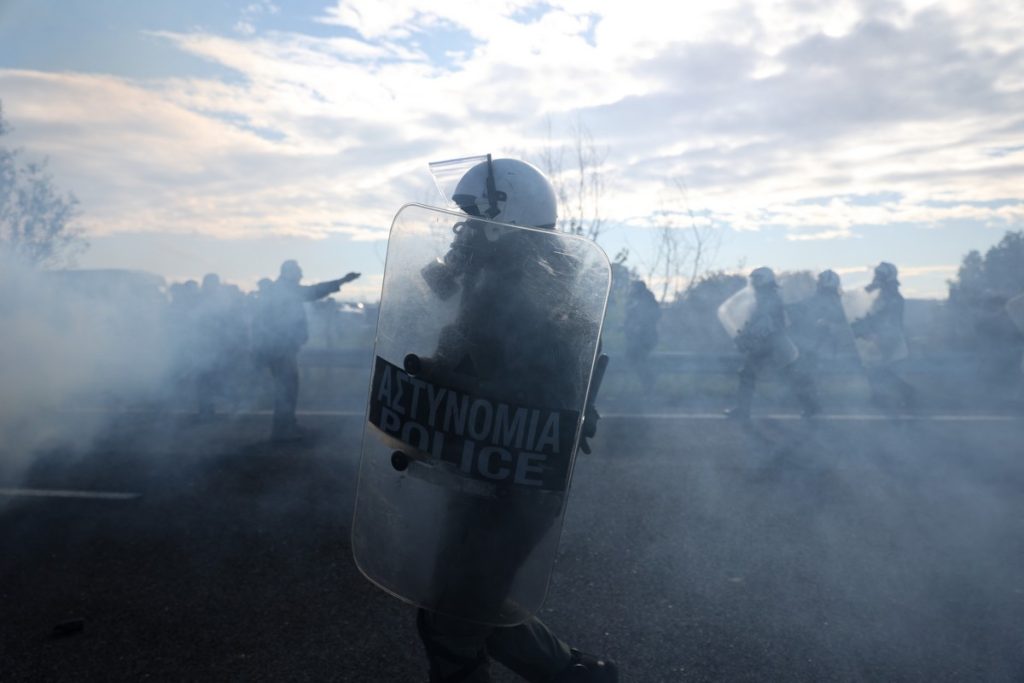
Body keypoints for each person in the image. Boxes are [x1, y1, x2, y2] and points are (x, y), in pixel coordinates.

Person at [393, 157, 618, 682]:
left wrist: (449, 383)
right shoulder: (496, 276)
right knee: (469, 604)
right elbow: (468, 349)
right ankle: (578, 676)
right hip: (486, 461)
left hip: (518, 471)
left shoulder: (534, 283)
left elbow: (546, 386)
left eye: (473, 215)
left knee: (453, 621)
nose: (463, 226)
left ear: (506, 215)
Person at [257, 261, 359, 441]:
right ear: (289, 273)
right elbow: (313, 291)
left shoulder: (280, 290)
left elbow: (312, 291)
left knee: (287, 390)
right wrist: (342, 280)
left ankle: (285, 428)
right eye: (298, 272)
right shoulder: (283, 290)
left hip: (280, 349)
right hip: (280, 350)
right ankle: (283, 432)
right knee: (286, 390)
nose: (301, 275)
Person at [724, 267, 819, 419]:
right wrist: (746, 335)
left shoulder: (769, 299)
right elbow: (757, 322)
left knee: (790, 376)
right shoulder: (765, 297)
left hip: (774, 345)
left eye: (757, 279)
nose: (754, 283)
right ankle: (811, 407)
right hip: (769, 345)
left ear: (764, 280)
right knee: (750, 374)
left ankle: (811, 406)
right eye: (753, 279)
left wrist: (746, 338)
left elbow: (765, 323)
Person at [850, 261, 917, 413]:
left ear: (887, 277)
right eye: (876, 275)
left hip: (891, 341)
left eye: (879, 275)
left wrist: (864, 325)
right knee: (875, 370)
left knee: (879, 372)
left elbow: (882, 319)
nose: (875, 278)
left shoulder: (892, 297)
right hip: (883, 340)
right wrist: (862, 323)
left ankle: (907, 396)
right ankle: (880, 400)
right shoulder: (884, 295)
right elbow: (875, 316)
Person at [787, 270, 853, 403]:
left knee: (805, 373)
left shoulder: (837, 303)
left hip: (822, 347)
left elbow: (840, 324)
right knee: (802, 372)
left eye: (820, 281)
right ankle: (810, 401)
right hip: (812, 345)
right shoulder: (819, 299)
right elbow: (803, 307)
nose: (818, 284)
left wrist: (826, 324)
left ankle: (812, 403)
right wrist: (789, 307)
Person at [623, 279, 661, 393]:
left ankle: (649, 383)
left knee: (635, 357)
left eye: (633, 288)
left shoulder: (646, 301)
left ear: (638, 289)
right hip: (640, 338)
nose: (631, 290)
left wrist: (639, 326)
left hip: (646, 338)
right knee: (634, 358)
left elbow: (649, 317)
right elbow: (631, 318)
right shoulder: (638, 301)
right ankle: (647, 385)